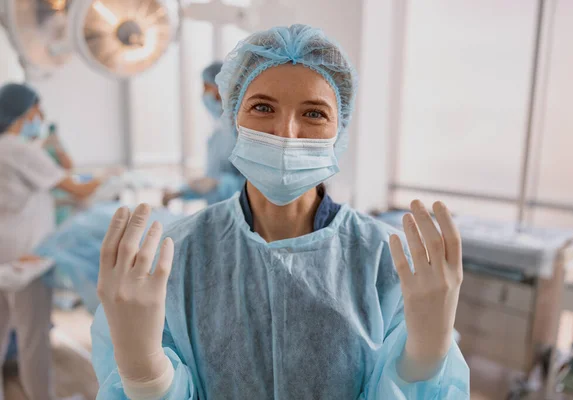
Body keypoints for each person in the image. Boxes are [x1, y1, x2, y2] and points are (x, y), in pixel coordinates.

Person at [92, 25, 470, 399]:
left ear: (341, 130)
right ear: (233, 118)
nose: (286, 132)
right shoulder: (176, 257)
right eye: (262, 107)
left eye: (314, 114)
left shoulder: (387, 262)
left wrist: (424, 360)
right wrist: (144, 373)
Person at [0, 82, 105, 400]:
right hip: (28, 255)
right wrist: (114, 176)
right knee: (34, 338)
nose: (41, 115)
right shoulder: (20, 149)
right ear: (23, 110)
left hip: (5, 251)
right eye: (37, 108)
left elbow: (43, 189)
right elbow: (78, 189)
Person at [162, 61, 244, 207]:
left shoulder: (245, 132)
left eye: (206, 88)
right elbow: (208, 184)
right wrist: (180, 192)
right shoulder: (217, 136)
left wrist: (220, 183)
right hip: (218, 215)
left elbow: (260, 186)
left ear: (222, 90)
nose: (204, 95)